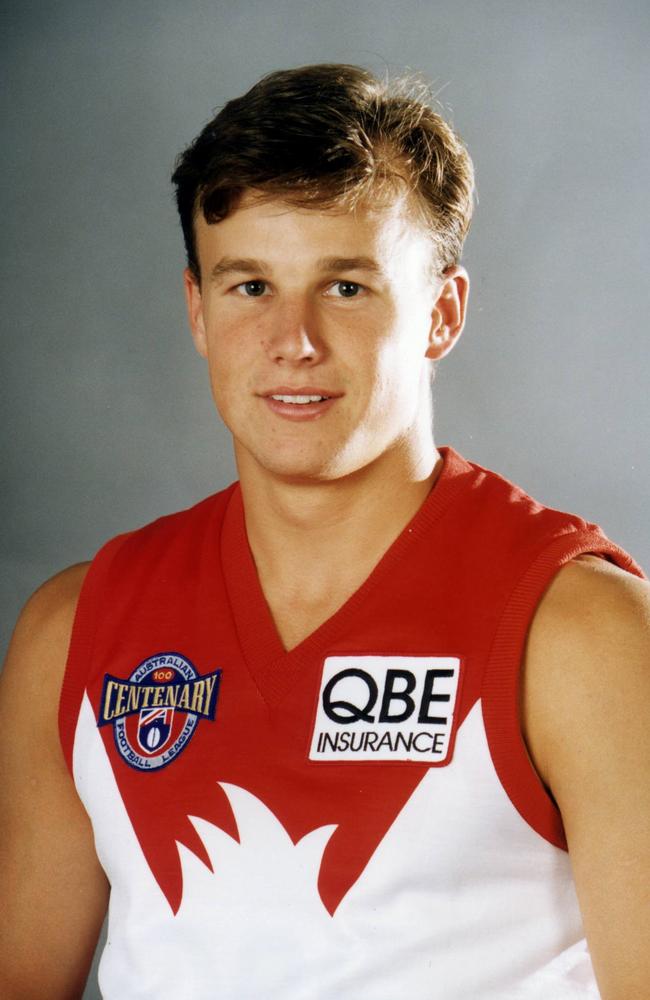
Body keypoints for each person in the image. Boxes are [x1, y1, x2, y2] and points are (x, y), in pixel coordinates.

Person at [1, 63, 648, 1000]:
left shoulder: (583, 634)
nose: (292, 339)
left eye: (346, 288)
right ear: (196, 310)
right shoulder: (74, 631)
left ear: (442, 314)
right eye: (250, 285)